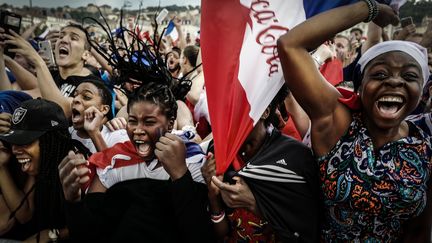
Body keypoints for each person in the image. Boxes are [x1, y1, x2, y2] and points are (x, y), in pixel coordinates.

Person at [278, 1, 432, 242]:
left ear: (421, 92)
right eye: (380, 74)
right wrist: (371, 9)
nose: (394, 81)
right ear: (359, 87)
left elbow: (419, 232)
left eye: (409, 76)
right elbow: (290, 45)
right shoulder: (337, 125)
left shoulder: (426, 146)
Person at [202, 85, 320, 243]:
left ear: (265, 110)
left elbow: (308, 229)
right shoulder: (218, 153)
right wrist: (213, 195)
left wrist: (253, 203)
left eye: (239, 107)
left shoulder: (294, 156)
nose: (229, 118)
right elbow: (221, 233)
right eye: (226, 110)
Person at [0, 98, 90, 242]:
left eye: (25, 141)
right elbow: (23, 215)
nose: (15, 149)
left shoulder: (78, 166)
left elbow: (94, 226)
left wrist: (54, 234)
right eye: (14, 141)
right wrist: (1, 167)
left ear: (50, 141)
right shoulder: (41, 165)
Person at [69, 80, 129, 153]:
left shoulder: (117, 137)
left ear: (104, 109)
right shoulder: (64, 133)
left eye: (86, 97)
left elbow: (113, 164)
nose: (75, 99)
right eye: (75, 95)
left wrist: (94, 133)